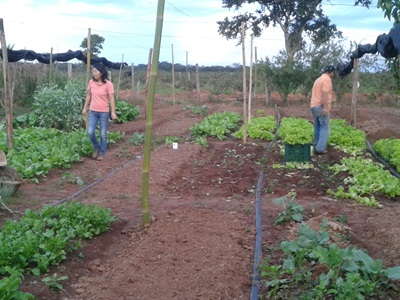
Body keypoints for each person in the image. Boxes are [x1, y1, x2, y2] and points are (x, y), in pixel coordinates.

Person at [82, 63, 117, 161]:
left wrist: (113, 112)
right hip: (93, 111)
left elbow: (112, 99)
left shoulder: (108, 84)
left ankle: (101, 153)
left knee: (103, 134)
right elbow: (88, 96)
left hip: (104, 112)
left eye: (95, 71)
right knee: (90, 132)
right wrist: (85, 108)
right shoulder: (91, 82)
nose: (93, 73)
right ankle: (96, 147)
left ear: (101, 73)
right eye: (93, 71)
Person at [310, 65, 335, 155]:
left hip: (314, 106)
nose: (333, 74)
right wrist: (325, 107)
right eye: (333, 73)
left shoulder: (318, 79)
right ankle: (320, 149)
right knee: (325, 128)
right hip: (321, 106)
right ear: (331, 72)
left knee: (317, 126)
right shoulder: (327, 79)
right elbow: (324, 93)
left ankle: (317, 145)